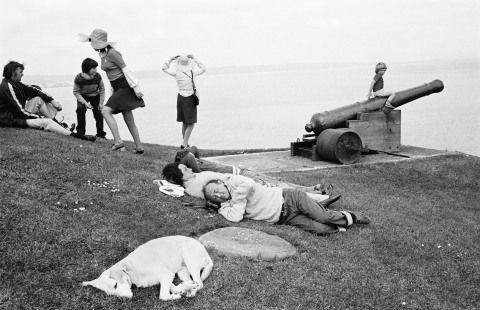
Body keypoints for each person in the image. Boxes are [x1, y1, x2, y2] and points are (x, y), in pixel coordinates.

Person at [203, 176, 371, 235]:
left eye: (217, 189)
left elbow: (249, 184)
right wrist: (235, 201)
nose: (218, 194)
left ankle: (352, 216)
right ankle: (339, 224)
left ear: (221, 182)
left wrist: (237, 199)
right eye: (214, 196)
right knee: (319, 229)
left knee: (322, 216)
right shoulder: (225, 208)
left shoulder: (234, 181)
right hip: (286, 217)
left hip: (290, 198)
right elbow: (236, 218)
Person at [80, 29, 145, 153]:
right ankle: (139, 147)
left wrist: (136, 88)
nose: (92, 45)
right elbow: (111, 75)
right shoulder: (103, 54)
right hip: (117, 87)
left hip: (124, 87)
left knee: (105, 111)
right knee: (128, 117)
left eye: (93, 42)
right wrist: (113, 90)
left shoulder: (113, 53)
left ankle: (118, 142)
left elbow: (126, 69)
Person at [0, 61, 95, 141]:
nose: (22, 74)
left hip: (18, 116)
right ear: (13, 73)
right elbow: (19, 112)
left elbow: (34, 90)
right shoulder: (7, 87)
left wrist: (52, 101)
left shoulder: (16, 83)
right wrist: (39, 117)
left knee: (38, 99)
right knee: (46, 122)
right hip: (12, 120)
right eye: (20, 72)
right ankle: (78, 136)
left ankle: (60, 125)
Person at [162, 162, 334, 203]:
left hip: (242, 179)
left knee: (277, 183)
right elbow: (221, 187)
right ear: (179, 177)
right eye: (185, 170)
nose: (190, 169)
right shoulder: (195, 185)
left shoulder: (194, 180)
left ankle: (313, 192)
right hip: (243, 183)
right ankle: (315, 197)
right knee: (277, 187)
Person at [162, 55, 206, 149]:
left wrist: (170, 59)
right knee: (191, 123)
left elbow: (164, 68)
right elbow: (203, 68)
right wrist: (195, 59)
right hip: (190, 98)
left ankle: (184, 143)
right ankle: (184, 143)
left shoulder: (176, 72)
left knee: (185, 123)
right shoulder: (192, 72)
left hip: (181, 98)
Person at [73, 57, 106, 138]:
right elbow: (76, 92)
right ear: (87, 69)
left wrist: (101, 103)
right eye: (94, 68)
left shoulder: (97, 76)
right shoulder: (79, 78)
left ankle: (100, 134)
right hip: (83, 96)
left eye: (96, 68)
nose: (96, 70)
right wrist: (84, 103)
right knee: (80, 109)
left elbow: (102, 89)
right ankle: (80, 133)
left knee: (98, 113)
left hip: (95, 95)